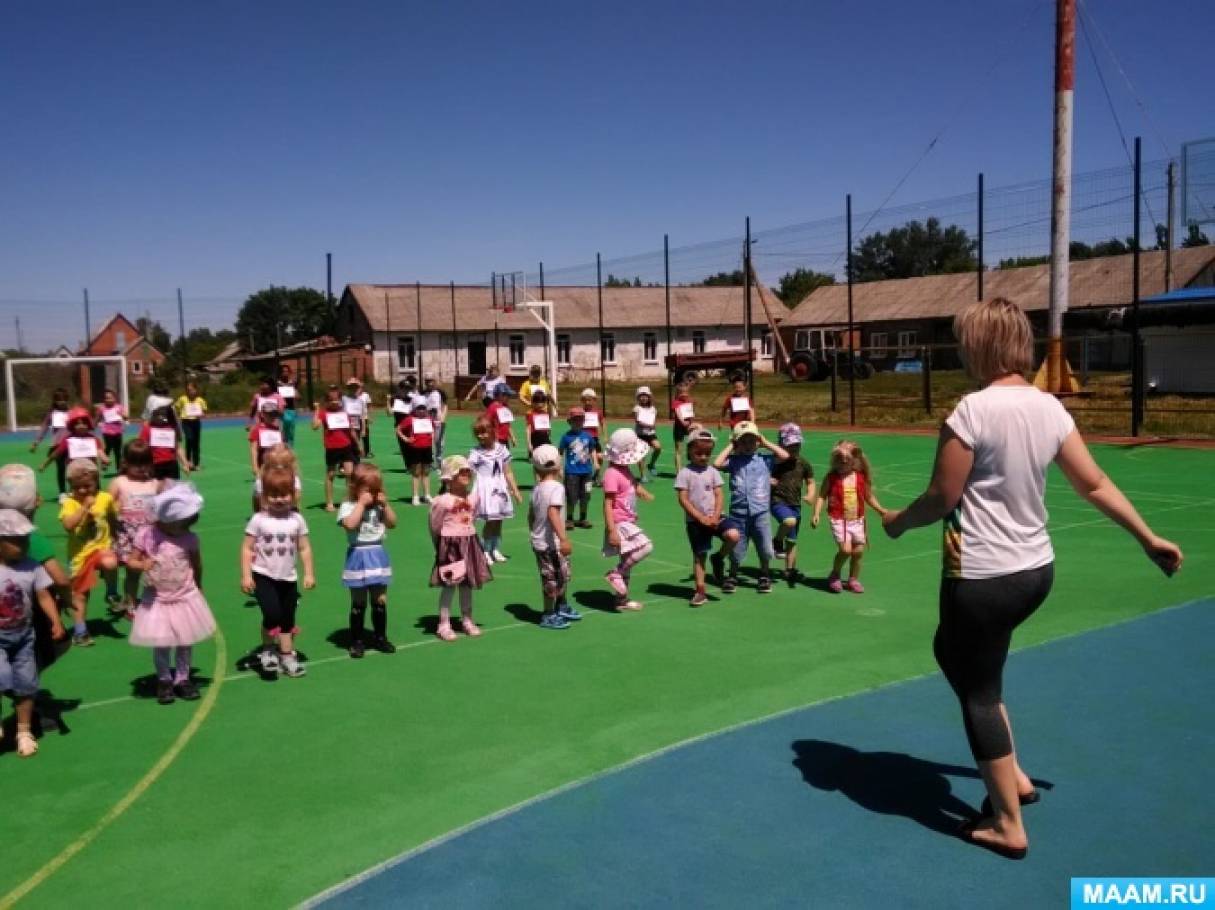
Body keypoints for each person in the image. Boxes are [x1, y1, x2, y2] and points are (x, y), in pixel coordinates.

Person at [882, 297, 1184, 860]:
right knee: (951, 651)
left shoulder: (971, 411)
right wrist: (1148, 537)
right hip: (1033, 572)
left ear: (980, 347)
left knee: (979, 693)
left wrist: (898, 523)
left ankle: (1007, 823)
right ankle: (1013, 776)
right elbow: (1093, 482)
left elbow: (942, 496)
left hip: (982, 576)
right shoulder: (1050, 408)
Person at [126, 484, 215, 705]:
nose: (183, 528)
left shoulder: (189, 539)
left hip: (184, 595)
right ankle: (164, 679)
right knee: (162, 641)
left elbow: (196, 563)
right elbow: (131, 561)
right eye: (180, 524)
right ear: (166, 521)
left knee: (185, 640)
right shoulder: (147, 535)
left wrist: (199, 584)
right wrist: (141, 564)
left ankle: (182, 679)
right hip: (158, 598)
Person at [0, 509, 66, 757]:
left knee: (26, 685)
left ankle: (23, 731)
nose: (23, 545)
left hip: (24, 637)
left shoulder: (32, 567)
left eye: (25, 540)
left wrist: (55, 621)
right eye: (15, 541)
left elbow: (43, 596)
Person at [241, 466, 315, 678]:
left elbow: (304, 548)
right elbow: (247, 548)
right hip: (263, 575)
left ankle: (287, 654)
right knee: (272, 614)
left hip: (288, 577)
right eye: (273, 495)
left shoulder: (297, 520)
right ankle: (267, 649)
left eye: (284, 494)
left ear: (293, 495)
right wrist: (246, 575)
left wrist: (308, 573)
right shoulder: (259, 520)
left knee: (288, 618)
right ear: (264, 496)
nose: (279, 499)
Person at [712, 421, 789, 594]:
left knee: (765, 547)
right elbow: (717, 464)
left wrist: (766, 442)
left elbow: (784, 456)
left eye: (752, 441)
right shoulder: (733, 461)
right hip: (738, 513)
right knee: (737, 548)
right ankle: (732, 574)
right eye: (743, 441)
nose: (748, 445)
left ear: (757, 441)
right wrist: (731, 445)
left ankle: (764, 574)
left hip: (760, 512)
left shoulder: (764, 459)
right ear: (737, 443)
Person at [428, 455, 494, 641]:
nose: (466, 474)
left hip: (470, 543)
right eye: (460, 472)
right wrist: (439, 547)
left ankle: (467, 619)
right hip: (450, 546)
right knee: (450, 585)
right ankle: (444, 623)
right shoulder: (441, 501)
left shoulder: (473, 498)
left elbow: (472, 519)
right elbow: (435, 526)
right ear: (450, 477)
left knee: (467, 585)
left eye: (467, 471)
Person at [675, 429, 742, 606]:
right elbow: (683, 499)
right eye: (699, 453)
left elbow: (719, 494)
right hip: (696, 522)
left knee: (734, 535)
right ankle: (700, 590)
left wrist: (715, 515)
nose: (704, 457)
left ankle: (719, 557)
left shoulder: (712, 471)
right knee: (700, 555)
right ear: (689, 450)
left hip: (715, 517)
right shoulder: (685, 473)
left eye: (707, 454)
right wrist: (700, 518)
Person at [58, 459, 120, 646]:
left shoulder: (105, 498)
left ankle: (111, 592)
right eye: (79, 487)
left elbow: (111, 517)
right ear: (71, 486)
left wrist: (116, 536)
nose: (84, 490)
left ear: (96, 482)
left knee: (111, 562)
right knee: (81, 595)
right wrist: (84, 507)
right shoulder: (70, 503)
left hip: (101, 548)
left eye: (88, 486)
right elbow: (68, 526)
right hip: (80, 555)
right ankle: (80, 631)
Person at [339, 464, 397, 658]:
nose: (371, 494)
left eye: (375, 489)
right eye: (367, 489)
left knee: (380, 599)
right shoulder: (349, 506)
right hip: (358, 554)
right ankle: (356, 640)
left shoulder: (379, 506)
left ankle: (380, 637)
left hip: (377, 553)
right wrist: (361, 505)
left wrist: (385, 505)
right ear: (355, 487)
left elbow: (392, 523)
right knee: (359, 601)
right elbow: (349, 525)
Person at [812, 440, 885, 594]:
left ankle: (853, 579)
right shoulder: (831, 477)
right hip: (839, 520)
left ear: (854, 461)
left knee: (858, 552)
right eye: (840, 459)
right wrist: (816, 513)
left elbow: (869, 497)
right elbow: (821, 496)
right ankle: (835, 574)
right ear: (835, 460)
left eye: (847, 460)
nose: (843, 463)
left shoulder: (859, 477)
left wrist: (880, 510)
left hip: (857, 520)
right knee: (845, 550)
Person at [601, 428, 655, 611]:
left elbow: (632, 486)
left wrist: (642, 493)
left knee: (628, 560)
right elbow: (608, 504)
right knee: (646, 546)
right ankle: (616, 573)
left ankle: (621, 599)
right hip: (619, 523)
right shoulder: (612, 474)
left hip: (628, 521)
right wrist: (612, 530)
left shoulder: (625, 470)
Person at [528, 445, 580, 630]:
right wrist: (563, 538)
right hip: (551, 543)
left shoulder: (537, 489)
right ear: (559, 467)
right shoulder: (557, 487)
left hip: (541, 541)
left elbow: (531, 515)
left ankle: (561, 605)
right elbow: (553, 513)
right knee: (553, 578)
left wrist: (533, 533)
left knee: (560, 574)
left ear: (536, 469)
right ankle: (548, 614)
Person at [108, 440, 160, 615]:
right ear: (125, 463)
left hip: (151, 534)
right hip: (128, 534)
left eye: (144, 463)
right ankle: (130, 602)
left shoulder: (154, 483)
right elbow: (106, 505)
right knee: (133, 572)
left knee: (154, 569)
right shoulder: (119, 482)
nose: (140, 468)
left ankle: (155, 600)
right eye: (135, 464)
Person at [469, 416, 522, 564]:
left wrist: (515, 490)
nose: (481, 436)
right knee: (490, 520)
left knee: (498, 520)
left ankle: (495, 548)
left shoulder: (501, 449)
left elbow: (508, 472)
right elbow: (469, 471)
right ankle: (485, 550)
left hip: (499, 487)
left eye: (484, 432)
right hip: (485, 489)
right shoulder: (476, 452)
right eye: (478, 433)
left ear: (492, 431)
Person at [770, 423, 816, 584]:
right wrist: (768, 480)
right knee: (789, 521)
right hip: (777, 501)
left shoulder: (803, 463)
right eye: (790, 445)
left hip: (795, 504)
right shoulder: (775, 461)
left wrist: (810, 494)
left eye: (797, 445)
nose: (794, 448)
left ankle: (789, 570)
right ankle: (776, 541)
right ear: (781, 445)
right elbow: (760, 474)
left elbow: (810, 481)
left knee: (792, 540)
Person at [313, 386, 359, 512]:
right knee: (331, 474)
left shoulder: (344, 414)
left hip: (346, 446)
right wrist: (317, 410)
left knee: (350, 473)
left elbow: (351, 431)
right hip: (332, 448)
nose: (334, 402)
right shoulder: (324, 413)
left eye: (337, 399)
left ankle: (348, 500)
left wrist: (358, 444)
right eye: (331, 400)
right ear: (327, 401)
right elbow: (315, 426)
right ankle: (329, 503)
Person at [40, 407, 110, 481]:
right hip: (75, 472)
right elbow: (56, 453)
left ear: (88, 424)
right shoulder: (68, 440)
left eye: (84, 423)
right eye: (77, 424)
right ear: (72, 425)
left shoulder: (93, 439)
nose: (81, 426)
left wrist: (104, 458)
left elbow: (100, 451)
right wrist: (45, 464)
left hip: (91, 471)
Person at [557, 408, 599, 530]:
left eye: (580, 420)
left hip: (587, 472)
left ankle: (583, 518)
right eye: (575, 420)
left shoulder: (588, 436)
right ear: (570, 422)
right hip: (572, 472)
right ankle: (569, 518)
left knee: (586, 496)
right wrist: (559, 467)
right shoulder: (566, 437)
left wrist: (595, 462)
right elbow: (560, 453)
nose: (578, 422)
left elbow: (592, 450)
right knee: (571, 497)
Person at [30, 388, 72, 496]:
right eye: (58, 400)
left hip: (71, 444)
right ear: (54, 401)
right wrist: (36, 442)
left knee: (72, 468)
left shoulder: (71, 412)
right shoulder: (52, 414)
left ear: (67, 400)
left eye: (64, 399)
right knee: (61, 468)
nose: (61, 402)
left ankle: (73, 490)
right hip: (57, 445)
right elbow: (44, 427)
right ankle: (62, 492)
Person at [396, 401, 435, 506]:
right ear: (415, 410)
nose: (421, 411)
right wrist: (406, 439)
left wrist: (432, 437)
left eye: (423, 408)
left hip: (427, 448)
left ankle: (427, 495)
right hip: (415, 448)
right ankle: (415, 496)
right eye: (419, 409)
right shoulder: (409, 419)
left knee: (426, 472)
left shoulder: (429, 419)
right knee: (416, 472)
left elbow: (432, 430)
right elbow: (398, 429)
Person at [138, 406, 191, 481]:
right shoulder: (147, 429)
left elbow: (177, 447)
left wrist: (185, 463)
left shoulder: (171, 428)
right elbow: (141, 448)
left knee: (173, 490)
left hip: (171, 464)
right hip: (154, 465)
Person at [174, 381, 207, 470]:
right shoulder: (182, 399)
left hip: (196, 422)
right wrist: (178, 415)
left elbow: (204, 412)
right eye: (188, 390)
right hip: (186, 422)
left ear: (196, 390)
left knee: (196, 442)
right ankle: (188, 462)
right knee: (189, 439)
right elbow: (176, 407)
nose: (190, 391)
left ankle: (196, 464)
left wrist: (202, 414)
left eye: (192, 390)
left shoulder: (200, 400)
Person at [248, 400, 284, 476]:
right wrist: (255, 466)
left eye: (274, 414)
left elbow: (281, 447)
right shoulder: (257, 429)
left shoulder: (277, 429)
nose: (272, 416)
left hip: (277, 466)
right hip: (263, 466)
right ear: (262, 414)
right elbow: (253, 449)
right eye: (269, 414)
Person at [633, 386, 661, 482]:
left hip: (650, 434)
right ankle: (642, 476)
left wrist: (653, 426)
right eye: (641, 396)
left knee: (658, 447)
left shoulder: (653, 409)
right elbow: (638, 421)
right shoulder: (637, 408)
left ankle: (651, 464)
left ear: (649, 397)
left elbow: (653, 420)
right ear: (638, 397)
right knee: (642, 455)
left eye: (646, 396)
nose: (644, 398)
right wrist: (649, 425)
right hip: (640, 434)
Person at [96, 388, 127, 473]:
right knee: (108, 448)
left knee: (118, 450)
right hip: (107, 432)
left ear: (115, 398)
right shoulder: (102, 408)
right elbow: (98, 418)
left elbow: (125, 416)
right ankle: (104, 462)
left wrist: (123, 415)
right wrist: (93, 425)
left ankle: (119, 469)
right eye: (106, 398)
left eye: (110, 398)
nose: (108, 400)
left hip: (118, 432)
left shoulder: (118, 407)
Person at [341, 378, 369, 466]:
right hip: (345, 425)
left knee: (356, 445)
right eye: (351, 387)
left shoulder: (361, 400)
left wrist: (364, 429)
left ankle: (356, 463)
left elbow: (362, 415)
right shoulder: (344, 399)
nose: (353, 389)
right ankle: (344, 464)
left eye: (355, 387)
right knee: (346, 445)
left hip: (357, 425)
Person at [670, 381, 696, 474]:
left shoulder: (690, 401)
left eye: (686, 392)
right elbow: (677, 412)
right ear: (678, 393)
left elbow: (691, 412)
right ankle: (678, 472)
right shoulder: (675, 402)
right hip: (679, 427)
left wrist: (691, 422)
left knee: (693, 444)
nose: (684, 394)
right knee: (678, 449)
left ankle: (694, 465)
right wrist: (682, 421)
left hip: (689, 425)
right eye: (681, 392)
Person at [485, 384, 517, 451]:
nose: (509, 397)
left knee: (506, 458)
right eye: (507, 395)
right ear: (500, 395)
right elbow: (487, 423)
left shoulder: (506, 407)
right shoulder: (492, 407)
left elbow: (508, 425)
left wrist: (512, 437)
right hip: (496, 439)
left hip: (505, 439)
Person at [423, 375, 448, 461]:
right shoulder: (423, 392)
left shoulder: (440, 392)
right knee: (427, 441)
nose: (429, 383)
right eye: (427, 381)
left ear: (435, 381)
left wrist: (443, 418)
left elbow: (444, 405)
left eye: (431, 381)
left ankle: (439, 462)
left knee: (439, 442)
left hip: (437, 420)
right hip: (426, 420)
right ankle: (429, 461)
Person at [276, 365, 298, 448]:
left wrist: (296, 409)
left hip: (291, 410)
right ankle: (281, 449)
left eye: (287, 371)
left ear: (289, 373)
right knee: (281, 431)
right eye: (283, 371)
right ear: (280, 373)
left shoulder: (293, 383)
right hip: (281, 410)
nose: (285, 373)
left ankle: (290, 448)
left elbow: (297, 396)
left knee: (291, 431)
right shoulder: (277, 384)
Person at [525, 390, 553, 455]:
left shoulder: (545, 413)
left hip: (545, 438)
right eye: (537, 402)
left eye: (542, 402)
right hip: (535, 438)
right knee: (536, 458)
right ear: (533, 403)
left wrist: (549, 401)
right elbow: (528, 429)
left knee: (548, 455)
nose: (540, 404)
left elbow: (550, 414)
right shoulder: (530, 414)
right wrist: (529, 444)